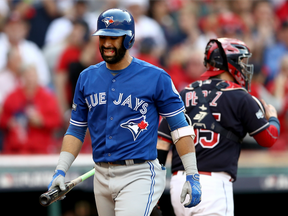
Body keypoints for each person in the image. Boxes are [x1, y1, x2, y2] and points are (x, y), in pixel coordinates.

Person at [47, 8, 201, 216]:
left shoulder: (156, 77)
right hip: (101, 173)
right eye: (103, 37)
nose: (107, 43)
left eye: (114, 37)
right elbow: (76, 130)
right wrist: (60, 170)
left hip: (138, 173)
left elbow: (180, 128)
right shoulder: (86, 78)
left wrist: (192, 174)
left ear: (128, 40)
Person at [157, 38, 280, 216]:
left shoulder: (184, 93)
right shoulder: (240, 96)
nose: (244, 67)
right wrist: (273, 118)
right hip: (212, 186)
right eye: (240, 61)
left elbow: (161, 144)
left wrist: (153, 187)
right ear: (228, 63)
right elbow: (268, 139)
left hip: (178, 185)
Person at [0, 64, 62, 154]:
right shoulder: (12, 96)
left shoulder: (48, 97)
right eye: (27, 75)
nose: (30, 79)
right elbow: (3, 118)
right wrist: (10, 122)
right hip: (15, 149)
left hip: (41, 149)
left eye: (32, 75)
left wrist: (42, 121)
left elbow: (57, 121)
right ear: (22, 78)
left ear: (37, 76)